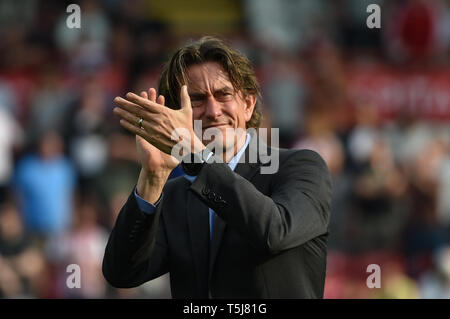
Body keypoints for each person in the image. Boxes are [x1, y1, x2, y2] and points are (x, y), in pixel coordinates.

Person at [102, 36, 332, 298]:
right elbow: (121, 272)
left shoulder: (300, 167)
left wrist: (192, 153)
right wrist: (152, 178)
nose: (213, 111)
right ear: (179, 115)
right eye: (197, 100)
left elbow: (274, 232)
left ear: (248, 105)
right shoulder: (176, 194)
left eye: (224, 95)